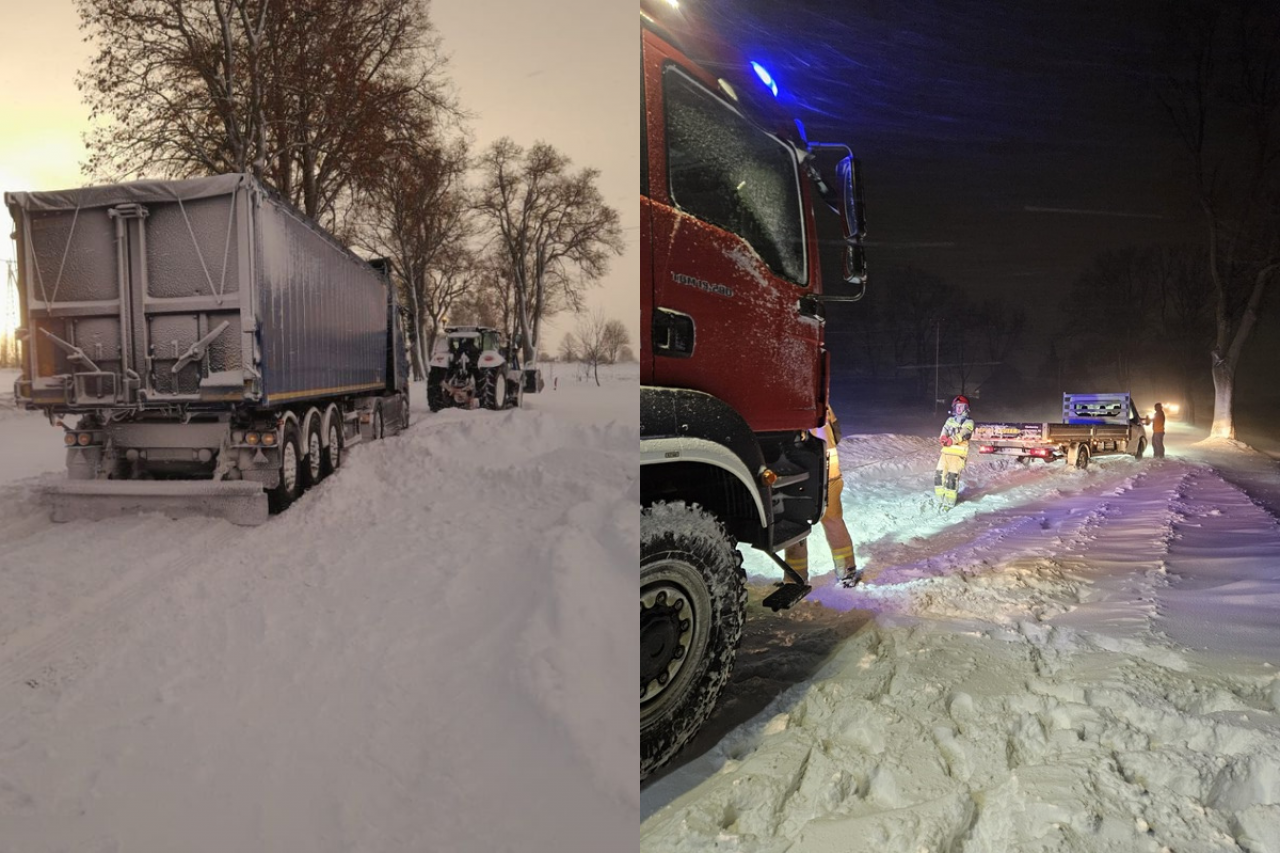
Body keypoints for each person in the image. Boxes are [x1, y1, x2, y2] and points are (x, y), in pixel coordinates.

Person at [784, 404, 861, 587]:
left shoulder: (789, 403)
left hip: (801, 475)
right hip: (829, 473)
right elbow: (837, 432)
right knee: (833, 521)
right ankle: (847, 571)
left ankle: (795, 578)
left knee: (796, 524)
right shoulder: (823, 403)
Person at [936, 395, 975, 509]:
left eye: (961, 406)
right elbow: (945, 429)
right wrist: (943, 437)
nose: (959, 409)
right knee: (939, 476)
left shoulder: (969, 422)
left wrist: (951, 440)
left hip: (958, 455)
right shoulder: (950, 420)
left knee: (952, 478)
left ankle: (949, 503)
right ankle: (939, 500)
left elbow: (964, 434)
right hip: (945, 453)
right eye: (957, 406)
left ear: (966, 408)